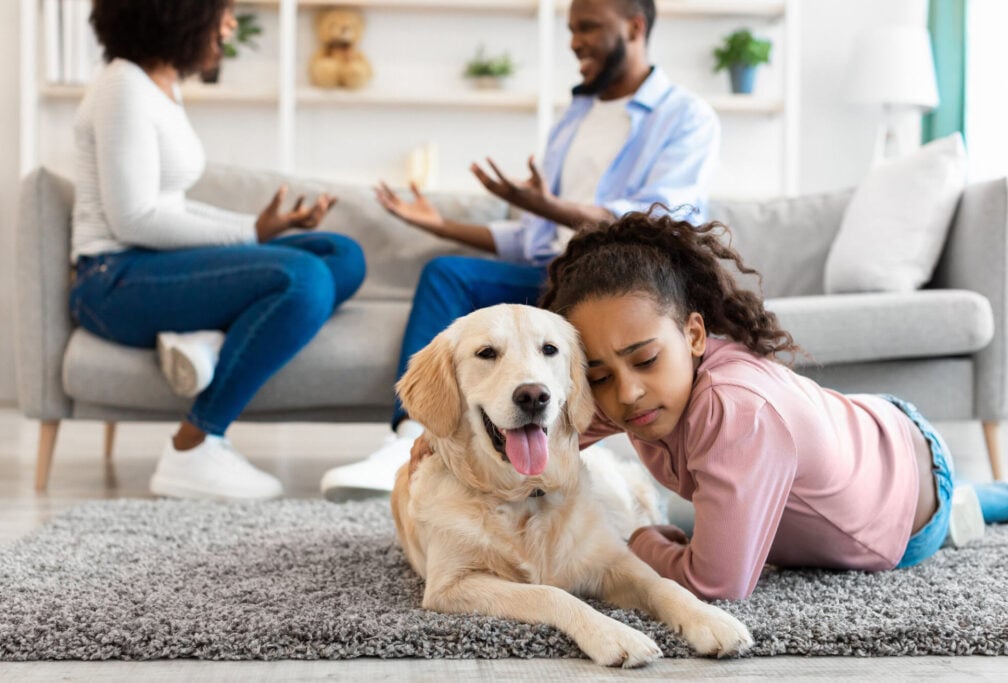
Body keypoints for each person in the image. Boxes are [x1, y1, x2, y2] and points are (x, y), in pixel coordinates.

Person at [320, 0, 720, 499]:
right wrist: (441, 224)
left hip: (619, 288)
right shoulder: (574, 119)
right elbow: (533, 238)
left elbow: (663, 223)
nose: (575, 41)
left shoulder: (685, 116)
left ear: (634, 27)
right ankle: (410, 439)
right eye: (571, 29)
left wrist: (549, 205)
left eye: (588, 28)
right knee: (447, 272)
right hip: (552, 275)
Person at [535, 211, 1008, 600]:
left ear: (694, 335)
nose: (627, 393)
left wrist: (640, 542)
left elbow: (717, 585)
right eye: (599, 376)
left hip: (906, 506)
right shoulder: (630, 390)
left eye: (645, 360)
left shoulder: (738, 414)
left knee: (966, 509)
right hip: (865, 430)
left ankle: (971, 501)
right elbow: (541, 449)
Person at [72, 0, 366, 500]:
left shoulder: (161, 87)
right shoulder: (123, 87)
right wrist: (249, 234)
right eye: (222, 11)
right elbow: (134, 219)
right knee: (304, 278)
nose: (231, 23)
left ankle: (205, 341)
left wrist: (260, 229)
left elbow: (171, 205)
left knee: (341, 255)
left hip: (154, 265)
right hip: (111, 281)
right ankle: (194, 446)